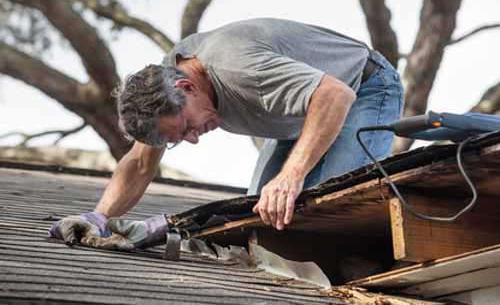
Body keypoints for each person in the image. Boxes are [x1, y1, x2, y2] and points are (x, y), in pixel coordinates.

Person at [49, 18, 404, 250]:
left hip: (363, 88)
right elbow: (141, 163)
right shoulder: (160, 86)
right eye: (179, 139)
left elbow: (334, 95)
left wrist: (291, 175)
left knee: (334, 207)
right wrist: (98, 217)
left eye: (187, 127)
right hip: (298, 113)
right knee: (260, 225)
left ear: (187, 87)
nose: (193, 138)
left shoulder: (239, 66)